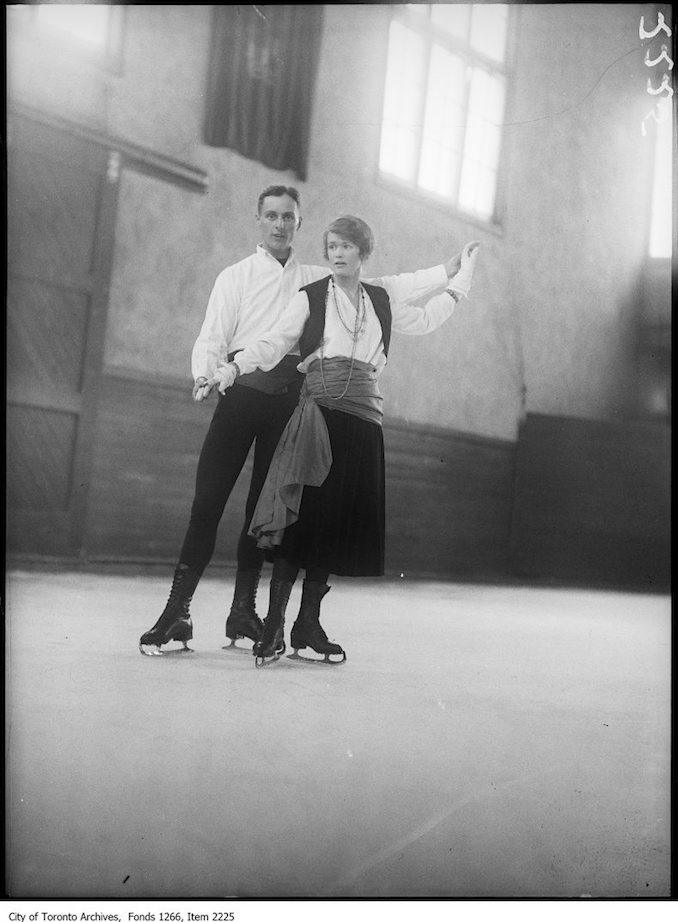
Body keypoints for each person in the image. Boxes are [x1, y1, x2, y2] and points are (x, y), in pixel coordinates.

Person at [139, 188, 471, 655]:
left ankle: (243, 612)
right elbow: (212, 336)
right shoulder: (234, 277)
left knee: (266, 514)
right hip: (239, 396)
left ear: (299, 224)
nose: (279, 225)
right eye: (271, 216)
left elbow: (381, 284)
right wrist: (206, 374)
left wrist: (448, 272)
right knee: (207, 504)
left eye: (288, 218)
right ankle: (177, 612)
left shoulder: (319, 275)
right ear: (258, 219)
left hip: (291, 406)